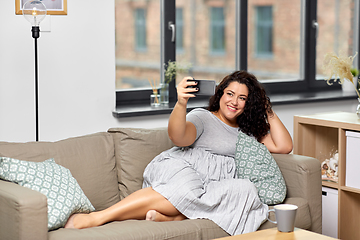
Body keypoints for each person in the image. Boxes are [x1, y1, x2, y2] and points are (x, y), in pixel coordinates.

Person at [65, 70, 293, 235]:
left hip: (211, 184)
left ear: (248, 103)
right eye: (230, 94)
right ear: (221, 94)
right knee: (187, 187)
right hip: (183, 168)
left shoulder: (248, 130)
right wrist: (181, 103)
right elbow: (178, 136)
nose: (234, 102)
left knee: (245, 190)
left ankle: (175, 216)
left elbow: (284, 146)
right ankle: (99, 217)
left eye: (242, 98)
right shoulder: (203, 117)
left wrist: (266, 107)